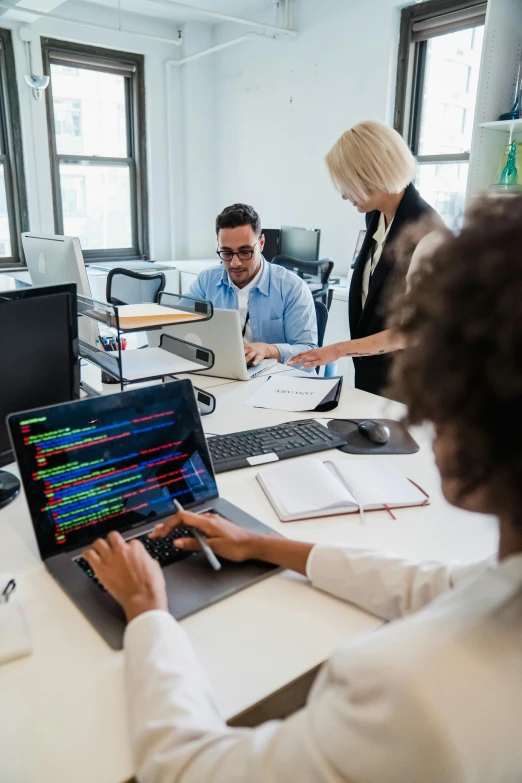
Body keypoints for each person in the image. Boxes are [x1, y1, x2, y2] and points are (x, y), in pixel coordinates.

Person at [84, 195, 522, 782]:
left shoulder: (405, 689)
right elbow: (438, 585)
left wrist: (146, 611)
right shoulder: (501, 585)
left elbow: (185, 768)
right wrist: (266, 544)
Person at [288, 120, 443, 395]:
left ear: (372, 174)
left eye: (348, 185)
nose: (345, 195)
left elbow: (412, 331)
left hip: (407, 387)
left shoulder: (430, 236)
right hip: (373, 377)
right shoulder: (377, 217)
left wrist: (338, 350)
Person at [186, 203, 317, 367]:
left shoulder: (292, 288)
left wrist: (268, 350)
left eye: (245, 252)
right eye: (226, 253)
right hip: (223, 372)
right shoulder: (207, 280)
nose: (235, 263)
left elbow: (308, 351)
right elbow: (178, 325)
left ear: (261, 243)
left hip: (275, 381)